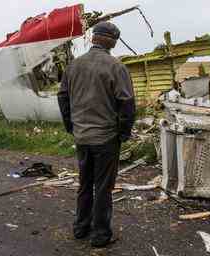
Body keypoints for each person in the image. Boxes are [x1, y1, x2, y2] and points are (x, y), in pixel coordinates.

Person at [57, 21, 136, 248]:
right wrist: (123, 133)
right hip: (106, 139)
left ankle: (81, 227)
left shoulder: (74, 66)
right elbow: (127, 104)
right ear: (111, 41)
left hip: (82, 137)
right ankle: (101, 235)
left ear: (93, 38)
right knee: (103, 187)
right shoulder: (116, 67)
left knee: (85, 182)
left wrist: (70, 125)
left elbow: (62, 97)